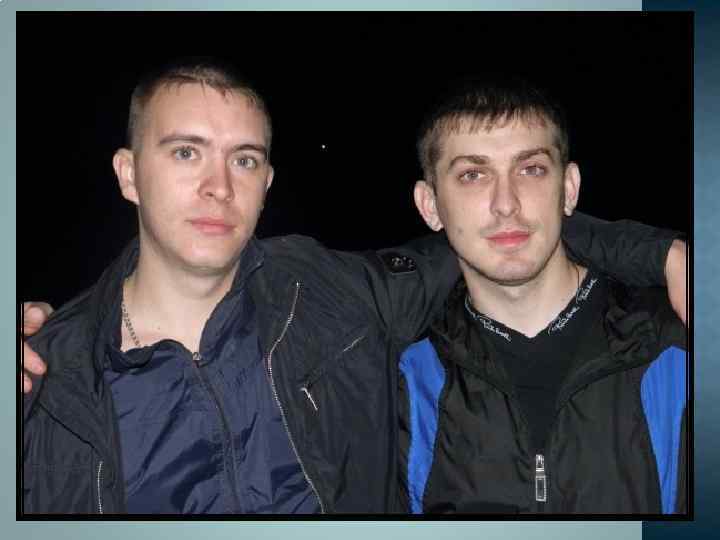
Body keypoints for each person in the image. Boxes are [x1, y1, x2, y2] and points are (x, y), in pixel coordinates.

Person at [20, 58, 687, 515]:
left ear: (266, 183)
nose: (218, 186)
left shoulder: (334, 300)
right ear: (128, 173)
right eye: (186, 152)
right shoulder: (44, 382)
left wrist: (666, 256)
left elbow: (503, 237)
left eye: (244, 159)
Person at [399, 80, 688, 514]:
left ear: (568, 188)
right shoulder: (400, 376)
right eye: (473, 175)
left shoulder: (678, 343)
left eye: (531, 169)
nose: (506, 203)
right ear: (430, 205)